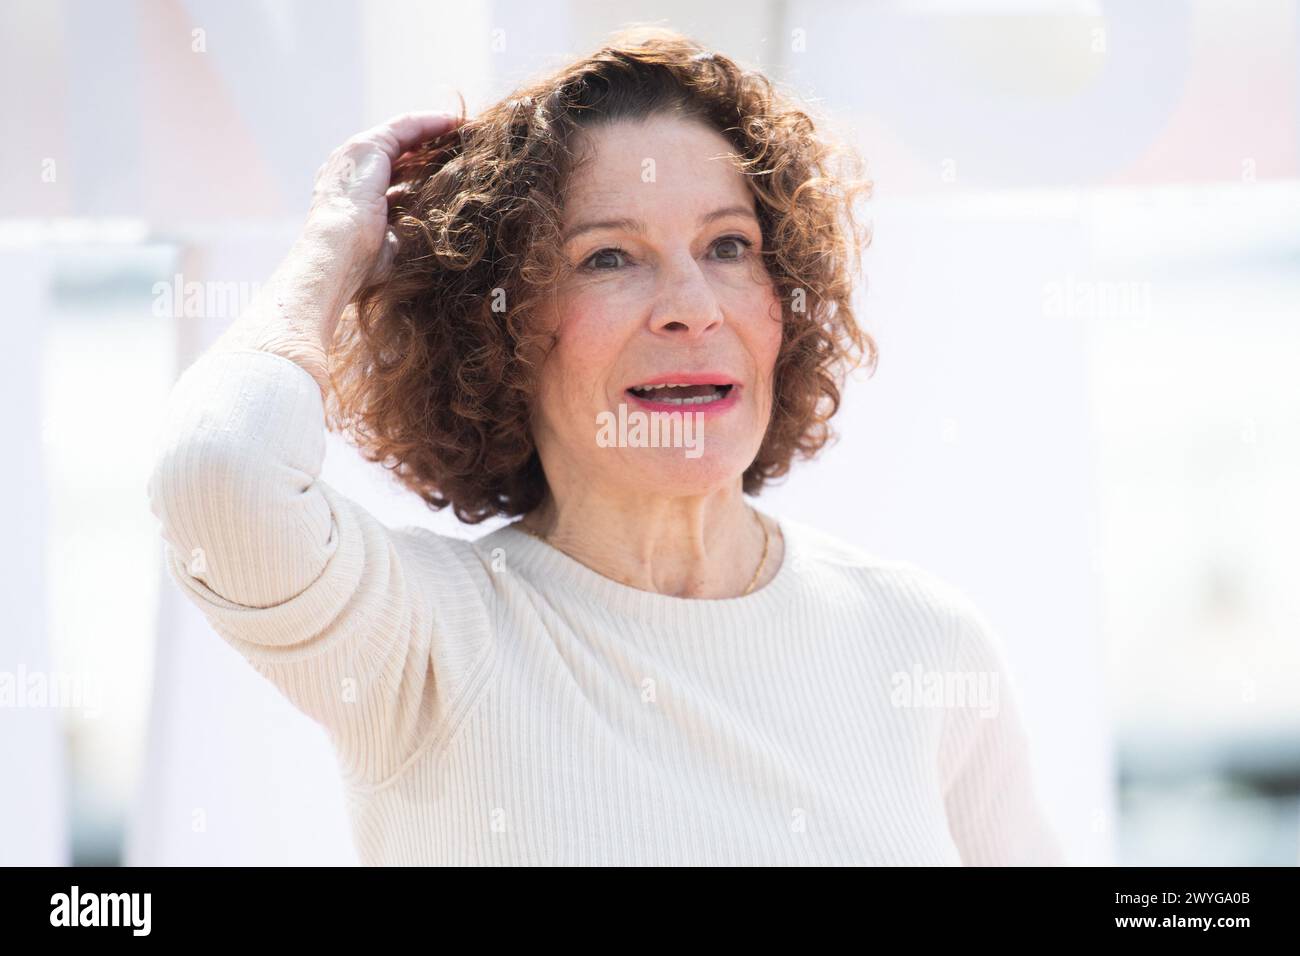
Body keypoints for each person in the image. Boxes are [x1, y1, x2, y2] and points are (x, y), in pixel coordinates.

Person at [147, 26, 1064, 865]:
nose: (692, 305)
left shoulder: (922, 643)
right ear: (496, 328)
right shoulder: (428, 642)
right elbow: (220, 472)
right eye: (609, 258)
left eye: (730, 246)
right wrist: (336, 249)